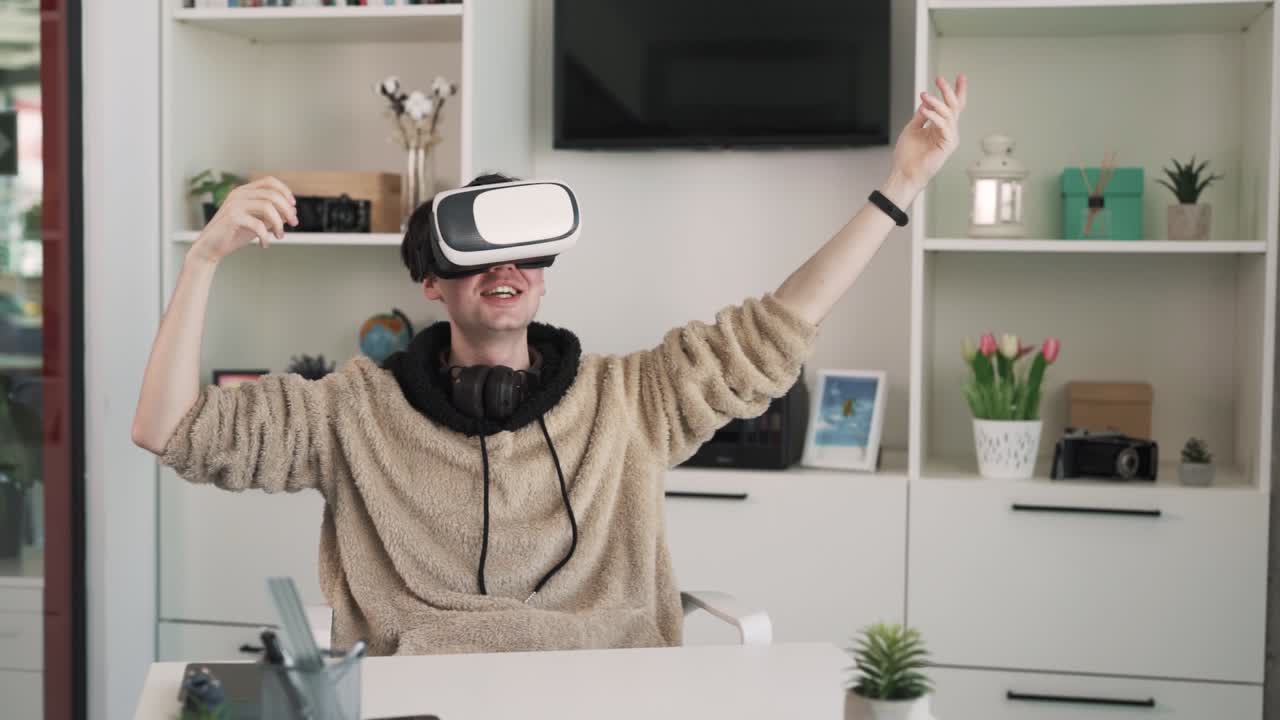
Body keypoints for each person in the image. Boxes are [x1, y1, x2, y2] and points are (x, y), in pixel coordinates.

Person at [132, 75, 968, 656]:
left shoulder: (627, 400)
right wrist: (203, 262)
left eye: (529, 254)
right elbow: (167, 429)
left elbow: (777, 328)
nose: (508, 271)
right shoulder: (352, 413)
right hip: (432, 696)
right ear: (430, 282)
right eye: (478, 256)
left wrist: (900, 185)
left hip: (603, 688)